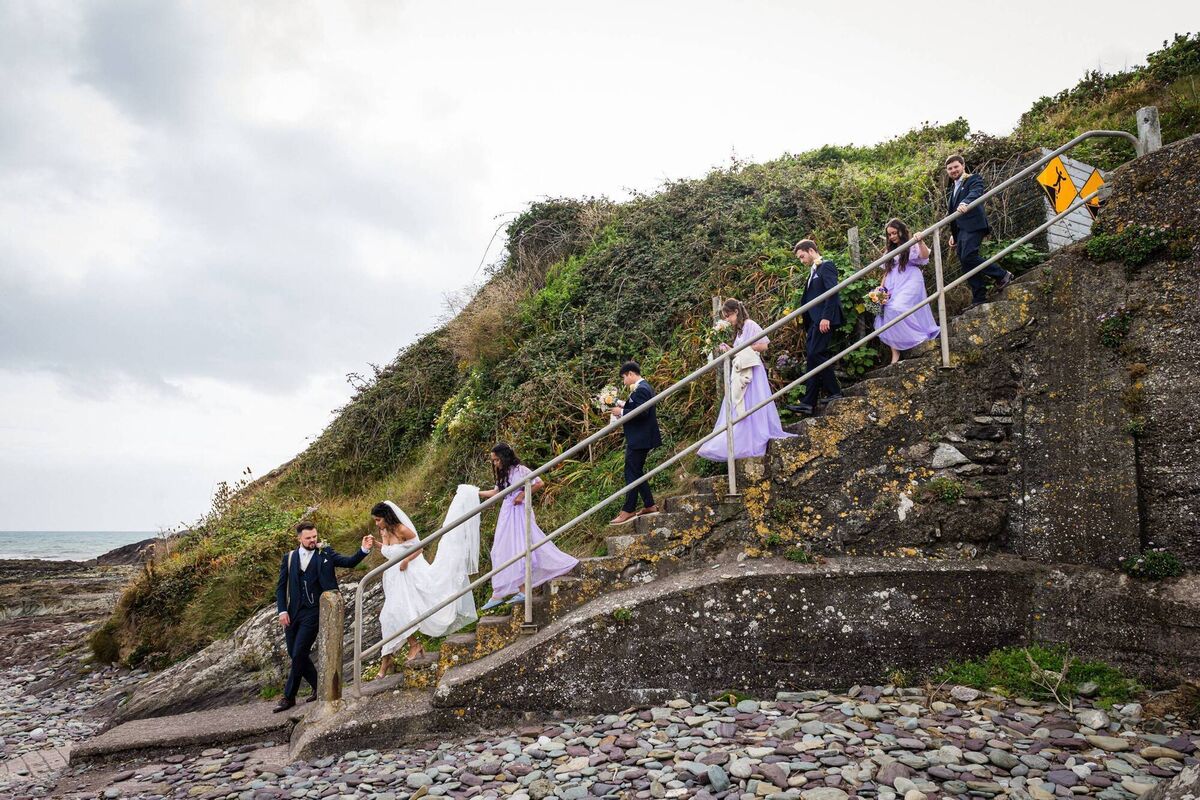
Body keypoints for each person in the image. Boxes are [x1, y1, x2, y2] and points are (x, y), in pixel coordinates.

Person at [371, 493, 479, 678]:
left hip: (408, 575)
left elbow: (420, 548)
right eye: (375, 520)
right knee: (390, 616)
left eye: (378, 519)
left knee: (395, 613)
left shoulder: (403, 530)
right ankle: (397, 653)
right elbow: (388, 553)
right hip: (394, 578)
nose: (376, 523)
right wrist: (375, 544)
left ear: (387, 517)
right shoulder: (384, 532)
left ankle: (397, 654)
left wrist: (406, 560)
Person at [273, 522, 372, 712]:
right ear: (299, 538)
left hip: (315, 611)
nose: (312, 540)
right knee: (295, 653)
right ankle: (318, 687)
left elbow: (348, 562)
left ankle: (289, 697)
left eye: (314, 537)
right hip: (293, 613)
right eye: (308, 538)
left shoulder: (325, 553)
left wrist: (363, 550)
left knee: (300, 652)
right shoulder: (289, 558)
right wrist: (282, 610)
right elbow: (280, 586)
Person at [479, 443, 579, 610]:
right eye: (493, 461)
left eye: (496, 460)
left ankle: (520, 590)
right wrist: (476, 492)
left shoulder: (521, 470)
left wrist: (522, 494)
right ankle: (500, 592)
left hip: (520, 511)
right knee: (501, 549)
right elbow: (497, 492)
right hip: (507, 513)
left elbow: (538, 482)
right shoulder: (503, 474)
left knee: (521, 547)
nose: (495, 463)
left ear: (504, 457)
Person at [698, 298, 795, 460]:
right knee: (740, 404)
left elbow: (764, 345)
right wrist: (728, 348)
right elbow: (738, 350)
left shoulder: (750, 325)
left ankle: (756, 437)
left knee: (753, 402)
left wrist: (744, 348)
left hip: (752, 371)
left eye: (728, 315)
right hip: (740, 370)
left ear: (736, 312)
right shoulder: (740, 331)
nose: (728, 320)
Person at [945, 154, 1013, 308]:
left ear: (962, 165)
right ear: (947, 171)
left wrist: (965, 202)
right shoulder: (953, 189)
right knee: (965, 261)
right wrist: (954, 235)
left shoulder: (973, 179)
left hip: (974, 225)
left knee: (969, 256)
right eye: (950, 169)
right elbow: (953, 215)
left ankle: (1002, 275)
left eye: (956, 166)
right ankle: (979, 297)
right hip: (962, 230)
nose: (953, 170)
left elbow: (976, 192)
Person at [874, 219, 941, 364]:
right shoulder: (889, 250)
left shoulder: (912, 243)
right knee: (885, 311)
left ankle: (919, 337)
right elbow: (886, 272)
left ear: (901, 230)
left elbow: (924, 256)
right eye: (889, 234)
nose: (892, 236)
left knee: (898, 308)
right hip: (892, 284)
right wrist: (881, 289)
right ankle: (895, 353)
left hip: (910, 280)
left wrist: (920, 241)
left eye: (894, 233)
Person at [607, 361, 663, 526]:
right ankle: (649, 504)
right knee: (635, 471)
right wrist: (622, 404)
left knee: (631, 472)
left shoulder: (642, 389)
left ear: (631, 374)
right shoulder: (643, 388)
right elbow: (637, 406)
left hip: (640, 438)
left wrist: (621, 412)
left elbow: (642, 412)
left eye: (624, 378)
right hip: (640, 437)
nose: (624, 382)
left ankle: (628, 509)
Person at [792, 240, 844, 414]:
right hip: (814, 323)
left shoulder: (826, 266)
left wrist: (826, 317)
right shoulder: (813, 271)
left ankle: (835, 392)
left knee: (816, 354)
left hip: (823, 320)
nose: (801, 261)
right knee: (813, 359)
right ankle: (808, 402)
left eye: (802, 256)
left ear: (811, 251)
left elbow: (832, 292)